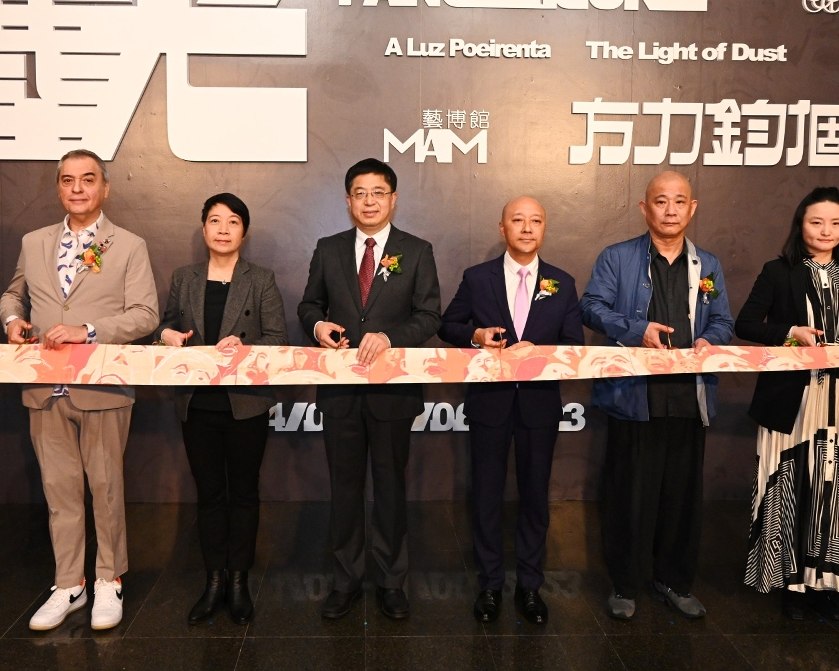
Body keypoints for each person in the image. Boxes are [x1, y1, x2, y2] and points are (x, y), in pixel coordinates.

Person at [0, 149, 159, 632]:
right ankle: (69, 584)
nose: (77, 188)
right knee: (59, 491)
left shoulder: (128, 245)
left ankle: (109, 579)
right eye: (68, 180)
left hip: (103, 386)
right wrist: (13, 320)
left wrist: (86, 331)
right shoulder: (34, 242)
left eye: (88, 179)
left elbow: (146, 315)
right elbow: (13, 293)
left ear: (105, 188)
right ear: (58, 188)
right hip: (45, 388)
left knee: (105, 488)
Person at [580, 171, 734, 621]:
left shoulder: (708, 264)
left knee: (681, 499)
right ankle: (624, 585)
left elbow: (723, 321)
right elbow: (591, 307)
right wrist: (636, 330)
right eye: (661, 201)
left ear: (692, 208)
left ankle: (674, 582)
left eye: (679, 201)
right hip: (634, 397)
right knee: (629, 496)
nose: (670, 210)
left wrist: (709, 340)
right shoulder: (617, 257)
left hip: (689, 397)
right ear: (644, 208)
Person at [297, 158, 441, 620]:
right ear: (348, 200)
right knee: (344, 491)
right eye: (360, 193)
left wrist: (390, 337)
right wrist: (317, 326)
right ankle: (345, 581)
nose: (369, 201)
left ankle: (392, 582)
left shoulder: (416, 250)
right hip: (340, 394)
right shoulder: (329, 249)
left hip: (392, 395)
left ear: (393, 199)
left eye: (378, 192)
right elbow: (309, 304)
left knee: (391, 490)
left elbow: (429, 315)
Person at [735, 186, 839, 620]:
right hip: (792, 401)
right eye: (816, 222)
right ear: (800, 225)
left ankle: (831, 586)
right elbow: (746, 324)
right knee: (794, 486)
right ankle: (791, 586)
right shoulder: (778, 271)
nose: (826, 230)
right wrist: (790, 333)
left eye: (836, 223)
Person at [439, 196, 583, 625]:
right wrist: (477, 335)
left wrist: (539, 352)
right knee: (486, 496)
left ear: (544, 228)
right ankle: (489, 585)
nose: (526, 228)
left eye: (535, 221)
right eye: (517, 220)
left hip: (539, 406)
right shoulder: (477, 277)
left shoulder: (562, 282)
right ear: (502, 228)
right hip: (490, 404)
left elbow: (573, 345)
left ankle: (530, 585)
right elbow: (447, 325)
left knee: (535, 497)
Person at [155, 193, 288, 625]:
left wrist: (245, 347)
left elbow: (278, 339)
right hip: (197, 403)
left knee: (244, 494)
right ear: (204, 228)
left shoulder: (260, 278)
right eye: (215, 220)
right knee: (209, 494)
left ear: (243, 231)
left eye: (233, 221)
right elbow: (166, 325)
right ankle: (213, 581)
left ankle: (239, 582)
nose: (223, 229)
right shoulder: (185, 277)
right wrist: (165, 335)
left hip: (245, 404)